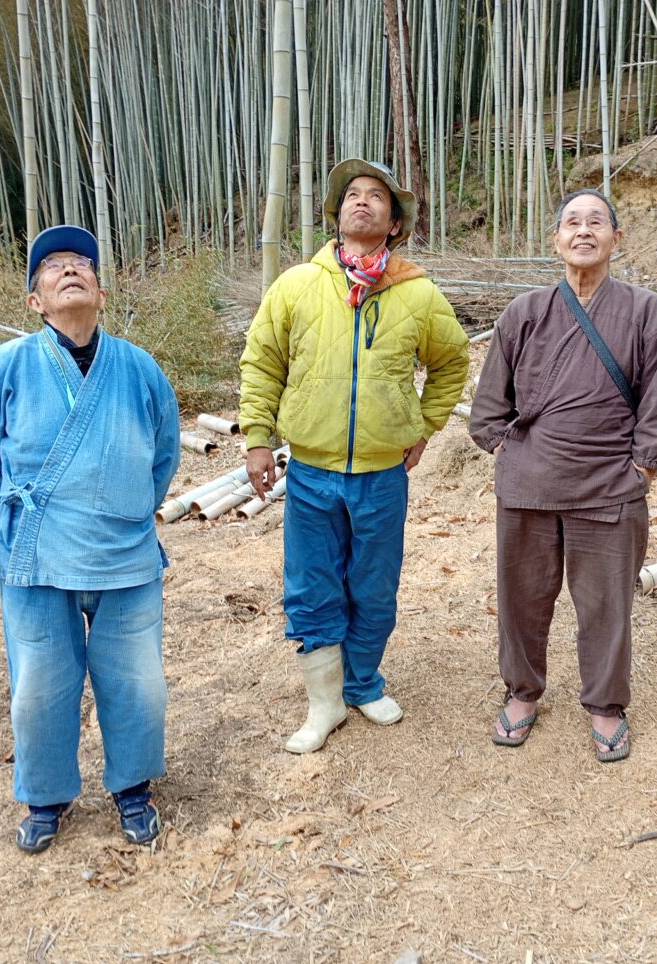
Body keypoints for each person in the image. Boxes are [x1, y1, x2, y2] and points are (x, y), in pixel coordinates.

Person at [0, 225, 180, 853]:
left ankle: (133, 789)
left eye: (82, 263)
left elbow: (164, 453)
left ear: (101, 292)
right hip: (35, 556)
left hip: (125, 552)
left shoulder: (138, 367)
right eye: (52, 266)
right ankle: (46, 797)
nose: (69, 270)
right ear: (35, 301)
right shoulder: (7, 367)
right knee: (39, 685)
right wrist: (15, 519)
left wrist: (133, 505)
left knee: (137, 681)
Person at [239, 159, 469, 754]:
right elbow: (263, 361)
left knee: (373, 585)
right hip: (311, 470)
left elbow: (451, 363)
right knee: (313, 584)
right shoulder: (297, 284)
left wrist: (424, 424)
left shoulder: (417, 293)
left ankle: (362, 683)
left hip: (381, 473)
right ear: (337, 214)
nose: (362, 202)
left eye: (376, 197)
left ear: (395, 224)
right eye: (352, 195)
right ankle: (324, 704)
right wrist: (258, 436)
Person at [468, 188, 657, 762]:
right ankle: (522, 691)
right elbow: (489, 403)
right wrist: (508, 453)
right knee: (521, 598)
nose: (583, 230)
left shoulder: (644, 311)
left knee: (607, 603)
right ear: (556, 239)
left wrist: (640, 463)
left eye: (596, 222)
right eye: (571, 222)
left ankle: (607, 703)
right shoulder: (525, 312)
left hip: (609, 484)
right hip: (528, 486)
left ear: (616, 238)